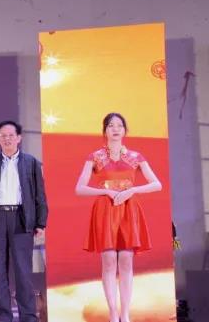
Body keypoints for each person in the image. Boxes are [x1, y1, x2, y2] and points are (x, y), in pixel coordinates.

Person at [75, 113, 161, 322]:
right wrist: (105, 191)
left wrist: (133, 190)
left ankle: (125, 313)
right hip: (105, 209)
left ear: (125, 130)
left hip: (128, 209)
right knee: (109, 260)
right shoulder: (95, 156)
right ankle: (113, 313)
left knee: (126, 260)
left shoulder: (136, 156)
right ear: (104, 130)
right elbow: (79, 188)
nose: (115, 129)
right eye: (110, 125)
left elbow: (157, 184)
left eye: (119, 126)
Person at [0, 121, 47, 322]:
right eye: (3, 135)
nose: (7, 139)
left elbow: (39, 195)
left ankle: (28, 316)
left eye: (11, 135)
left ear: (19, 138)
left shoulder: (31, 163)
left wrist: (40, 223)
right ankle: (3, 316)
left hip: (21, 219)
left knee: (23, 271)